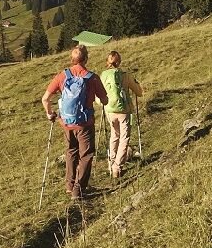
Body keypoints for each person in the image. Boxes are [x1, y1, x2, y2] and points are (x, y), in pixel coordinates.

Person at [42, 45, 108, 200]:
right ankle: (78, 190)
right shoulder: (92, 77)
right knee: (86, 155)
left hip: (66, 122)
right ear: (85, 59)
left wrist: (50, 114)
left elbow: (45, 99)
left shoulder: (62, 76)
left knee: (71, 151)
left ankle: (70, 185)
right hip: (85, 123)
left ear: (72, 59)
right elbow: (104, 99)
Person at [101, 50, 144, 179]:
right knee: (124, 137)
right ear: (119, 62)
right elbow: (139, 92)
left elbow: (99, 94)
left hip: (109, 110)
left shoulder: (103, 75)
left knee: (114, 135)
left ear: (107, 62)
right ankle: (117, 167)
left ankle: (111, 163)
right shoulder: (125, 75)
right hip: (124, 110)